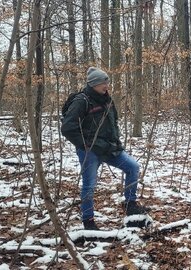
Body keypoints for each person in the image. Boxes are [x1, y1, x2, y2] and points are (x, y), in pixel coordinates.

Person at [61, 67, 148, 230]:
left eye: (107, 82)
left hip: (109, 148)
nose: (107, 86)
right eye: (103, 83)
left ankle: (130, 205)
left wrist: (116, 142)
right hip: (91, 151)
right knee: (89, 185)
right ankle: (88, 222)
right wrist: (86, 145)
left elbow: (113, 122)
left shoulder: (107, 99)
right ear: (94, 84)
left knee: (133, 167)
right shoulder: (81, 101)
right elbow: (67, 128)